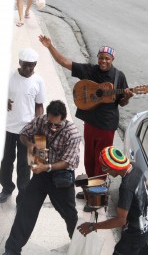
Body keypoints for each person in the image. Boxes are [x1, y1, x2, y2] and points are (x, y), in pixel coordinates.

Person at [39, 35, 134, 181]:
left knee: (102, 160)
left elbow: (122, 103)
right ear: (97, 58)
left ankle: (98, 193)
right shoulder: (89, 70)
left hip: (106, 125)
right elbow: (63, 62)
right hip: (90, 122)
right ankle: (89, 189)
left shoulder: (118, 77)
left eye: (107, 58)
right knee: (89, 158)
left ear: (112, 60)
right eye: (101, 57)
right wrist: (49, 46)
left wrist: (127, 96)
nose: (103, 61)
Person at [3, 100, 81, 255]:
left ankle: (79, 245)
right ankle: (12, 249)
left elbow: (68, 162)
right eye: (50, 123)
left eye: (56, 125)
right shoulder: (41, 120)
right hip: (41, 172)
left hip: (61, 177)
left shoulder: (72, 134)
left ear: (64, 119)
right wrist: (30, 145)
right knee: (26, 210)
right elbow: (24, 134)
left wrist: (48, 167)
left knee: (70, 214)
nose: (52, 127)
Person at [77, 146, 148, 255]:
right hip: (147, 227)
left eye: (104, 168)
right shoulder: (134, 167)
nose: (104, 171)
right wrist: (139, 207)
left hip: (133, 235)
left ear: (113, 168)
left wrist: (92, 226)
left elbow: (120, 220)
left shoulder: (126, 187)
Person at [0, 48, 46, 206]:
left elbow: (39, 105)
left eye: (31, 66)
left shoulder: (38, 81)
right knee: (6, 161)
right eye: (25, 65)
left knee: (24, 164)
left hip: (27, 131)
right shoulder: (8, 76)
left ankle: (23, 195)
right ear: (19, 63)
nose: (28, 69)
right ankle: (6, 188)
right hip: (7, 128)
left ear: (35, 65)